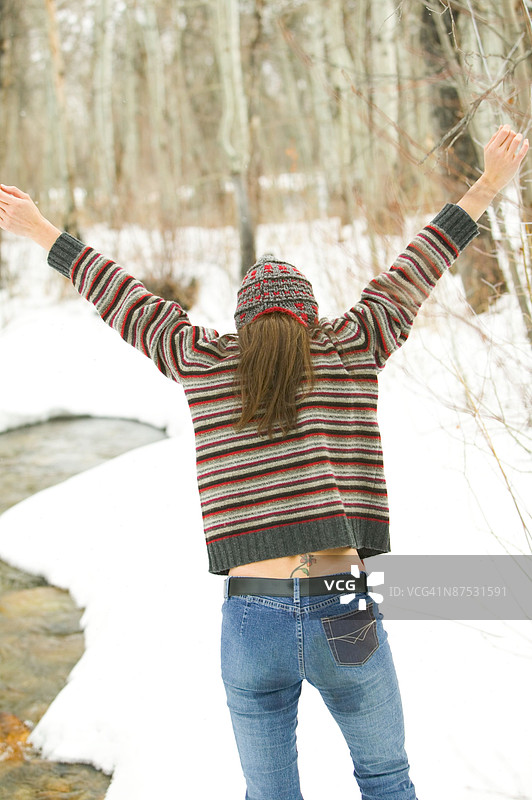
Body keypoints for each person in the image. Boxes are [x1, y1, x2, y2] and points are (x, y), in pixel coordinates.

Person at [0, 125, 528, 800]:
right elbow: (419, 263)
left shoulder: (204, 361)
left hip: (252, 614)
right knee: (386, 779)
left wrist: (44, 228)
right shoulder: (352, 345)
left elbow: (123, 297)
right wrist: (487, 184)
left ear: (245, 323)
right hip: (343, 603)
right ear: (310, 318)